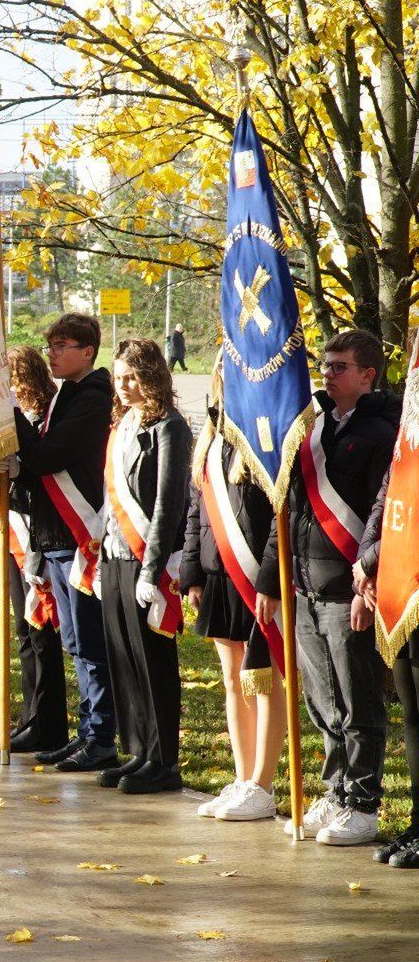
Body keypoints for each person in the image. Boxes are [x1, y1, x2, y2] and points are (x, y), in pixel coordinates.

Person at [257, 329, 397, 845]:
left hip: (348, 588)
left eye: (340, 367)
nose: (328, 374)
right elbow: (288, 508)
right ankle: (337, 790)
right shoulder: (311, 431)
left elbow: (384, 520)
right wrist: (272, 580)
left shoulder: (383, 434)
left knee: (358, 699)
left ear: (367, 375)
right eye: (325, 365)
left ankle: (363, 803)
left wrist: (369, 587)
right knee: (322, 701)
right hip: (305, 585)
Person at [180, 361, 284, 822]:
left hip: (256, 576)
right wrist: (192, 571)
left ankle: (263, 784)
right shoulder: (212, 429)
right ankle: (243, 779)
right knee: (230, 680)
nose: (228, 371)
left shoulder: (268, 430)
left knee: (262, 679)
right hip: (217, 572)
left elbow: (281, 513)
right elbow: (195, 507)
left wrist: (270, 578)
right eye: (223, 364)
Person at [15, 312, 118, 773]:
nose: (51, 353)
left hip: (79, 536)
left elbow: (46, 457)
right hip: (54, 535)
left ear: (87, 351)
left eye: (61, 345)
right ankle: (87, 733)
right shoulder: (66, 396)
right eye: (50, 344)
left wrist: (10, 416)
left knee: (92, 646)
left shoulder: (91, 399)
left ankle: (101, 738)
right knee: (75, 644)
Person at [94, 339, 191, 792]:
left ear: (152, 377)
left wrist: (151, 570)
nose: (125, 386)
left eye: (133, 376)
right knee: (123, 659)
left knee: (152, 661)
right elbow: (110, 503)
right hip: (114, 555)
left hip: (147, 560)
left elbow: (168, 503)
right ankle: (139, 751)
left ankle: (164, 760)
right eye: (118, 377)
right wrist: (97, 557)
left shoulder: (169, 428)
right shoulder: (122, 425)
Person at [0, 346, 68, 755]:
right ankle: (31, 717)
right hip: (13, 535)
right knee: (24, 632)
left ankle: (48, 722)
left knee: (41, 633)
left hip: (35, 536)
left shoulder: (40, 421)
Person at [358, 459, 419, 866]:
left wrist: (374, 557)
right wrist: (367, 557)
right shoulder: (409, 435)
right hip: (401, 582)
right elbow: (388, 495)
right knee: (412, 713)